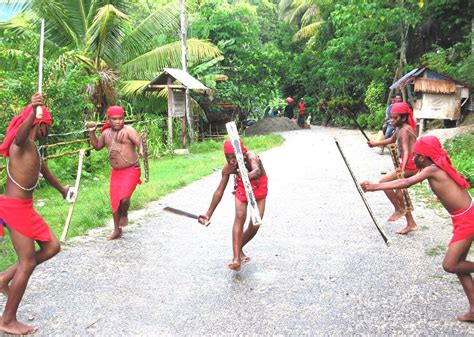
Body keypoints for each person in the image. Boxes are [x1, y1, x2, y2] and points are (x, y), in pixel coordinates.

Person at [361, 135, 473, 322]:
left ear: (423, 157)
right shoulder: (435, 166)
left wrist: (375, 186)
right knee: (459, 266)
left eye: (415, 155)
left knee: (450, 265)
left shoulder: (432, 169)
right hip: (465, 217)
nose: (413, 157)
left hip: (468, 220)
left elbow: (405, 183)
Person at [0, 93, 71, 335]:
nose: (47, 132)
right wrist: (33, 110)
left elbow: (46, 173)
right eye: (46, 128)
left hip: (27, 210)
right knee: (28, 262)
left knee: (52, 246)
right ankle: (7, 320)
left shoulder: (34, 149)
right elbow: (20, 134)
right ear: (38, 124)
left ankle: (4, 278)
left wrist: (63, 190)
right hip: (13, 209)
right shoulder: (19, 144)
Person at [198, 139, 268, 271]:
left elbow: (257, 171)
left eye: (233, 156)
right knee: (240, 216)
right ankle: (236, 259)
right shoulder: (229, 167)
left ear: (242, 153)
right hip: (242, 188)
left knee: (255, 223)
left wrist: (247, 175)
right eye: (227, 157)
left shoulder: (251, 157)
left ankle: (238, 247)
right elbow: (219, 191)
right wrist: (208, 214)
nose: (231, 160)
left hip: (258, 187)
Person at [87, 106, 143, 240]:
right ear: (109, 120)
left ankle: (124, 213)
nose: (118, 121)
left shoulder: (129, 130)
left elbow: (139, 142)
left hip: (131, 169)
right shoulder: (106, 133)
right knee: (115, 201)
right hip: (116, 172)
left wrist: (141, 149)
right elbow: (97, 147)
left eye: (121, 119)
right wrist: (91, 133)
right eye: (114, 119)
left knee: (124, 198)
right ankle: (116, 230)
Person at [367, 102, 418, 234]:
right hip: (406, 165)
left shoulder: (405, 130)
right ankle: (411, 223)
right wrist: (375, 143)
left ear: (403, 117)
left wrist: (402, 169)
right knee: (400, 194)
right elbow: (390, 140)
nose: (392, 120)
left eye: (395, 118)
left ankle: (399, 209)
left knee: (384, 182)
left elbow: (406, 151)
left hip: (410, 166)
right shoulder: (399, 128)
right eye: (391, 117)